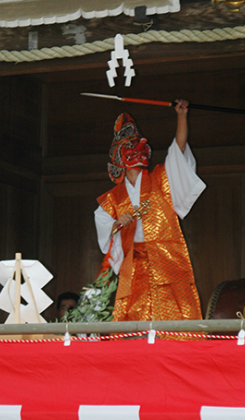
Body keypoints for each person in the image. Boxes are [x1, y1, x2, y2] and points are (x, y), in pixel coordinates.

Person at [94, 100, 206, 322]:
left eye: (137, 145)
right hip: (134, 265)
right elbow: (105, 231)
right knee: (134, 317)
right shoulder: (112, 199)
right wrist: (118, 224)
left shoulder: (161, 179)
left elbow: (179, 149)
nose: (136, 150)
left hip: (167, 258)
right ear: (119, 156)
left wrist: (181, 116)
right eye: (129, 147)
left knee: (175, 314)